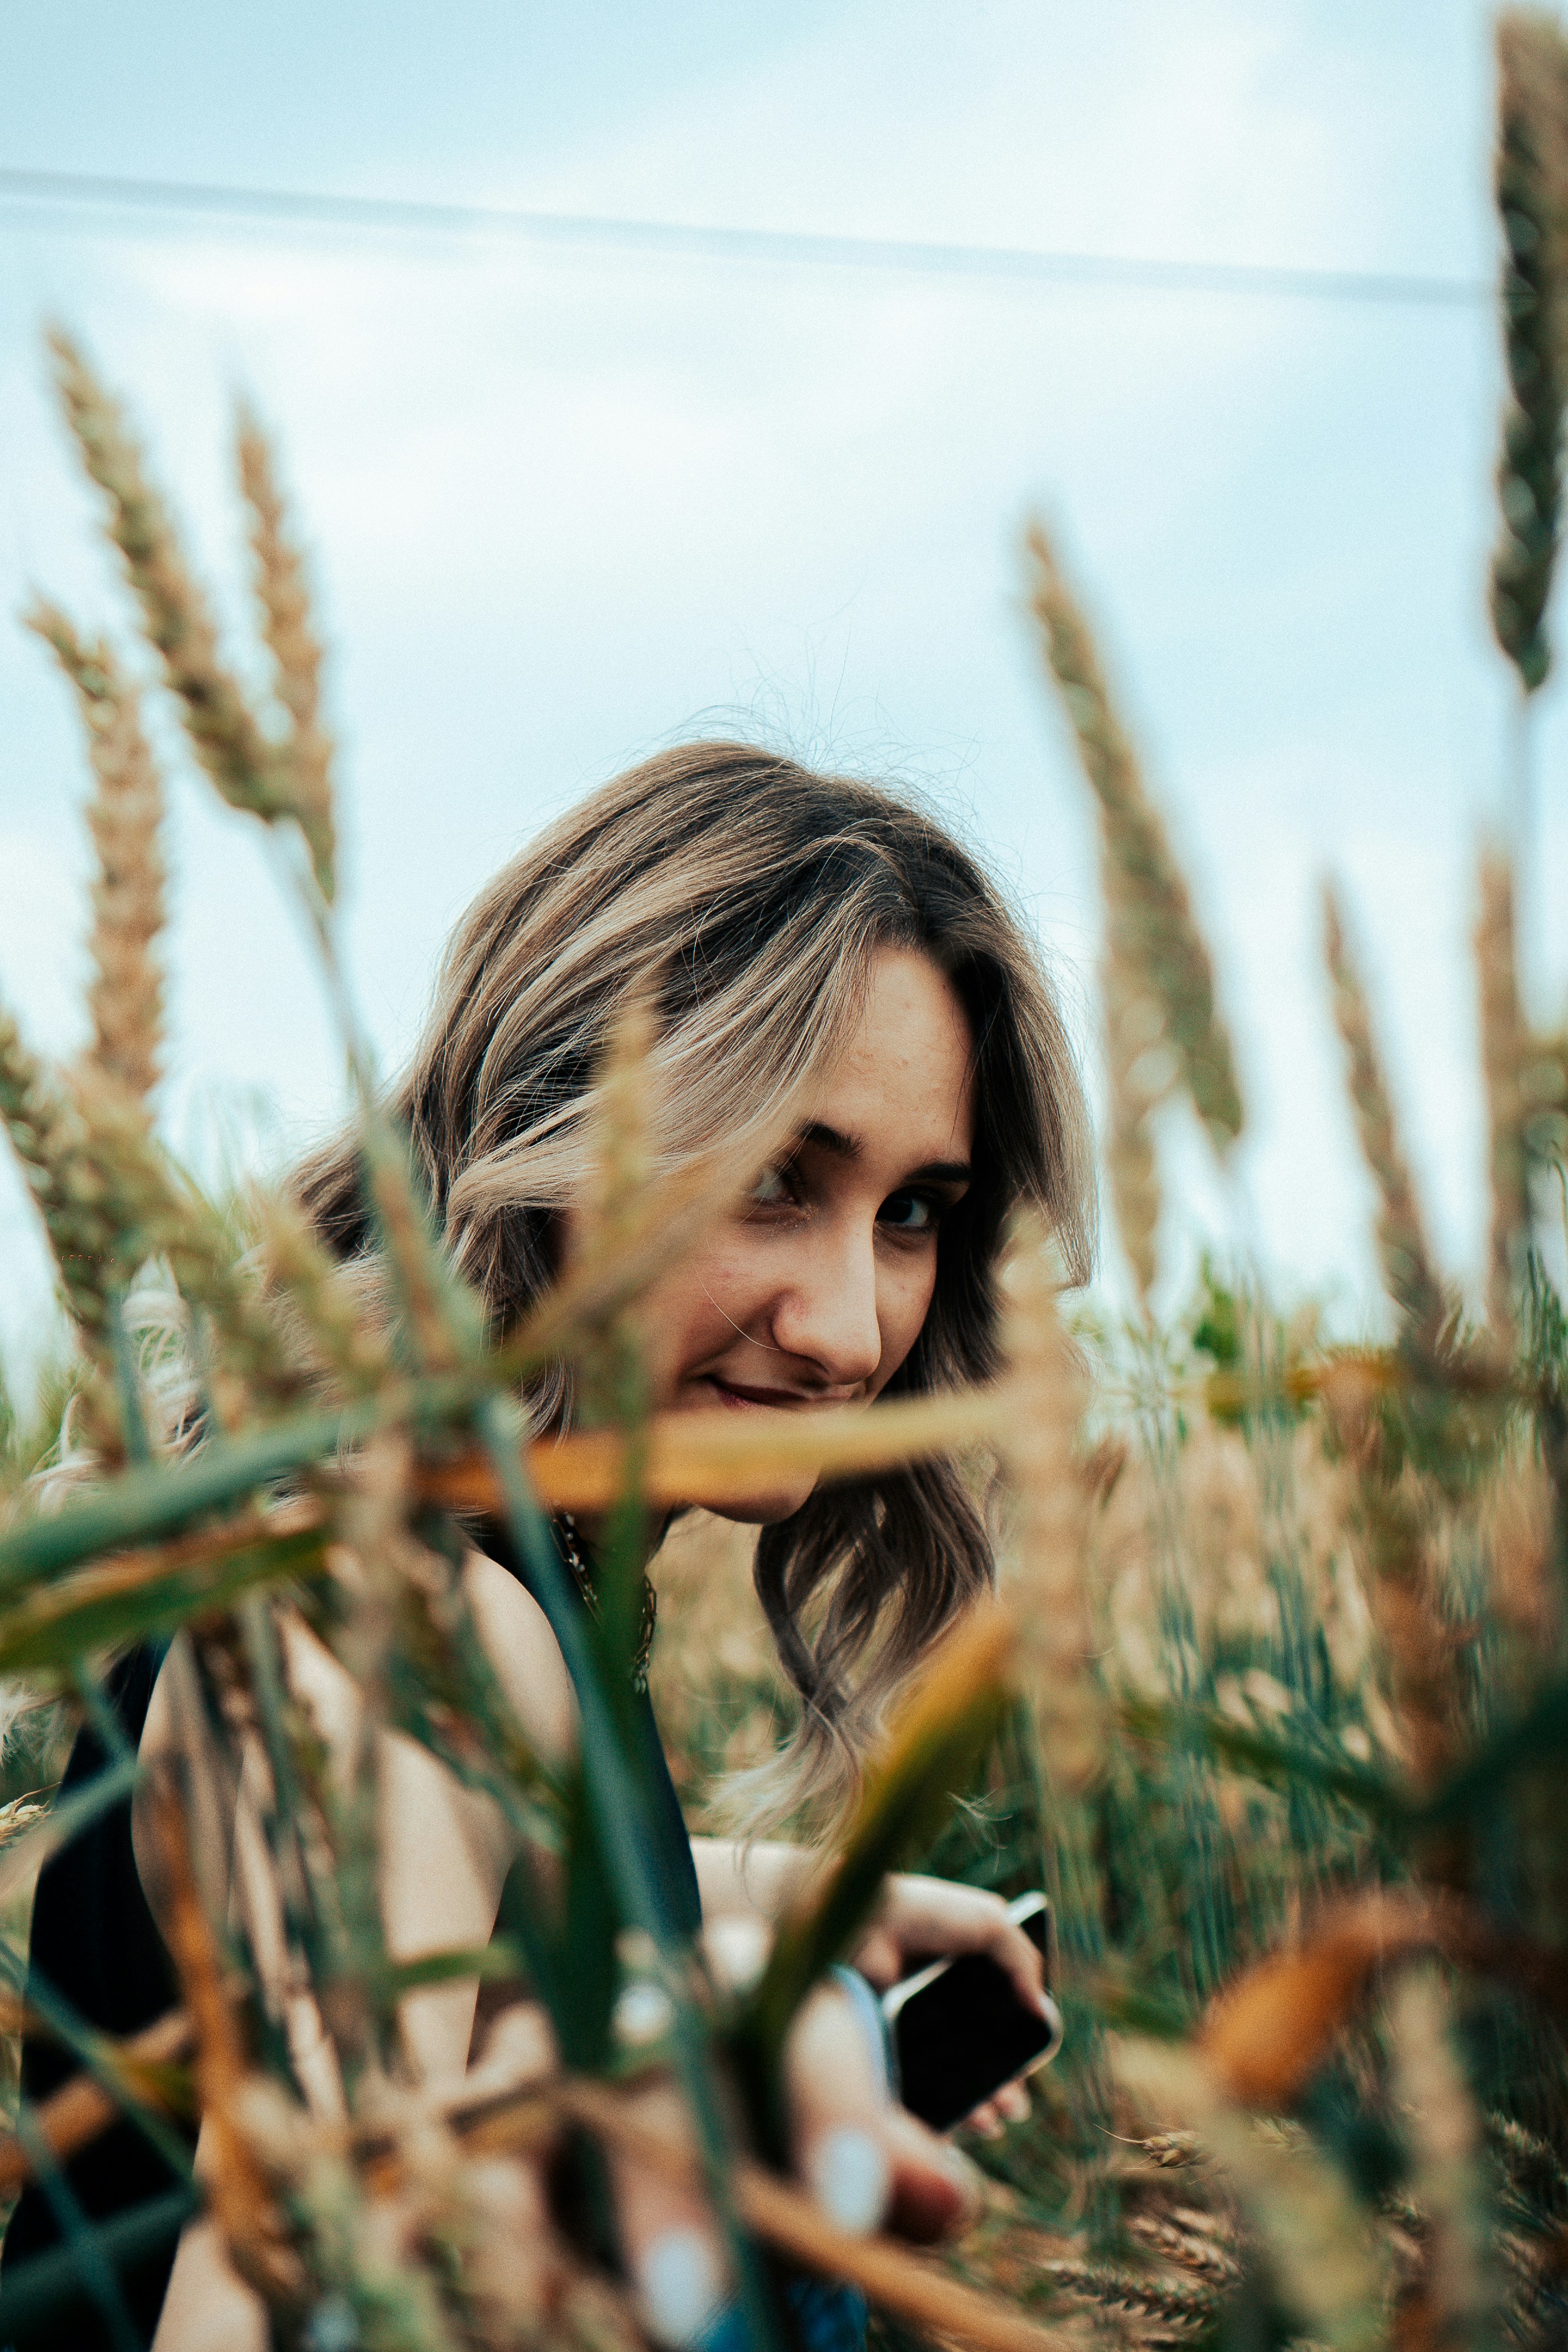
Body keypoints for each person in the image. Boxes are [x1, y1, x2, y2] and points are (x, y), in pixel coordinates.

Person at [5, 743, 1092, 2351]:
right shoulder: (401, 1633)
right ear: (555, 1144)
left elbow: (510, 1870)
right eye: (773, 1180)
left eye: (912, 1212)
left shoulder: (504, 1558)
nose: (852, 1324)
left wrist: (823, 1902)